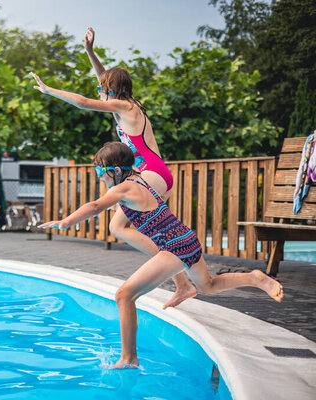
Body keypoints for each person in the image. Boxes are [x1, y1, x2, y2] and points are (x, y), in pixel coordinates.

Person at [39, 142, 283, 369]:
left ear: (113, 171)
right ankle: (254, 278)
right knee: (208, 286)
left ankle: (128, 358)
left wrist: (66, 221)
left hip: (174, 246)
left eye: (99, 172)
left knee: (124, 296)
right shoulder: (142, 181)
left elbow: (94, 207)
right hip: (187, 239)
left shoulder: (125, 187)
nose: (100, 178)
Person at [29, 27, 197, 309]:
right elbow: (103, 79)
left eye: (102, 89)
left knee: (118, 225)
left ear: (112, 91)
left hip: (151, 173)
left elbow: (84, 103)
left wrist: (49, 90)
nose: (99, 91)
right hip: (155, 173)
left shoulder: (125, 107)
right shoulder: (125, 103)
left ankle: (178, 274)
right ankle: (182, 281)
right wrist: (90, 52)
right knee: (143, 227)